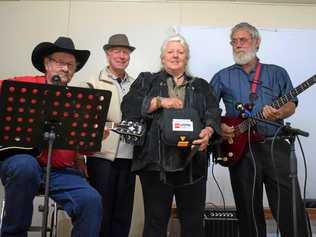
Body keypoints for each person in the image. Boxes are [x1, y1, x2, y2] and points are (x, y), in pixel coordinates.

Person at [210, 22, 310, 237]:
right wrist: (220, 126)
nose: (238, 45)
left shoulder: (277, 73)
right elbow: (208, 110)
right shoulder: (221, 76)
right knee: (248, 210)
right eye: (234, 41)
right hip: (241, 150)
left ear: (257, 42)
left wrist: (279, 112)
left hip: (275, 144)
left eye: (243, 40)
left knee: (290, 207)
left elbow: (291, 104)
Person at [0, 36, 102, 237]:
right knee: (25, 167)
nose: (65, 69)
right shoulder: (23, 85)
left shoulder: (79, 101)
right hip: (23, 162)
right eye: (60, 62)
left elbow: (86, 147)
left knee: (91, 200)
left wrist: (96, 135)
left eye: (71, 65)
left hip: (60, 172)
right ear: (47, 64)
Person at [122, 34, 221, 237]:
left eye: (180, 52)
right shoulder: (146, 80)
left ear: (186, 58)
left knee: (193, 225)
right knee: (155, 224)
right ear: (162, 57)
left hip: (192, 164)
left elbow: (213, 113)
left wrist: (209, 131)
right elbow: (129, 107)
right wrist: (160, 101)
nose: (175, 55)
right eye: (170, 52)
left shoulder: (201, 85)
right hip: (155, 164)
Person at [85, 34, 136, 237]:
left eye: (125, 52)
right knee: (101, 212)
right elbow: (85, 119)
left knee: (123, 215)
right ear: (108, 54)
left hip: (130, 156)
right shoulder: (93, 82)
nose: (122, 56)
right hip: (102, 156)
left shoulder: (136, 83)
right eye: (117, 51)